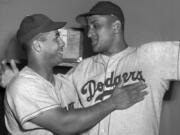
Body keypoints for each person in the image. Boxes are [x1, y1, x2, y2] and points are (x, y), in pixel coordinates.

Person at [3, 13, 147, 135]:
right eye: (56, 38)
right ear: (37, 45)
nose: (62, 43)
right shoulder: (23, 86)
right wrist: (113, 102)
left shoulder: (64, 82)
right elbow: (65, 124)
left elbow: (92, 77)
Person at [64, 1, 180, 135]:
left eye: (95, 26)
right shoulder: (80, 70)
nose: (89, 33)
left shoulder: (151, 56)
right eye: (88, 27)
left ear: (115, 27)